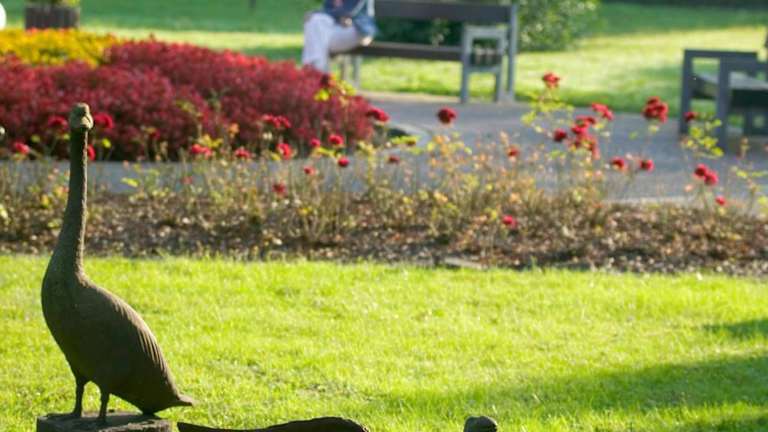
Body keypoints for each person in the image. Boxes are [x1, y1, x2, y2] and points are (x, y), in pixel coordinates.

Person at [302, 0, 377, 72]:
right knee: (314, 22)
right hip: (337, 29)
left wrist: (318, 13)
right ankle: (317, 73)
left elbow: (348, 11)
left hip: (358, 30)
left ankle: (314, 72)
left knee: (316, 25)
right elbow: (328, 8)